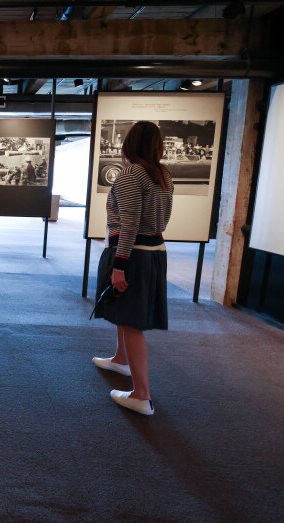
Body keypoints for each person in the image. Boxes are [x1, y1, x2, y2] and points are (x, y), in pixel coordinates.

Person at [92, 121, 174, 416]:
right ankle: (120, 359)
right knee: (126, 313)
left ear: (129, 142)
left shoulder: (130, 175)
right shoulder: (162, 174)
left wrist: (119, 266)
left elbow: (129, 225)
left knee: (131, 322)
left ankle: (142, 394)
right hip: (154, 251)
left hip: (133, 254)